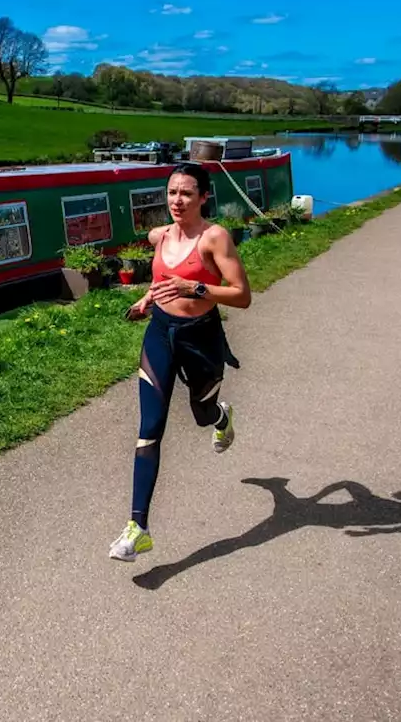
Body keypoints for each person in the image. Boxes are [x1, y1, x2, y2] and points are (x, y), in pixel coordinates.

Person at [109, 163, 253, 562]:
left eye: (187, 193)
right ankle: (138, 528)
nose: (177, 200)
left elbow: (242, 295)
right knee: (149, 428)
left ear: (204, 197)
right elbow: (162, 277)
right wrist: (147, 298)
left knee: (203, 414)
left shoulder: (215, 239)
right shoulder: (160, 235)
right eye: (172, 192)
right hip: (159, 334)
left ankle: (221, 416)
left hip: (200, 339)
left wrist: (196, 287)